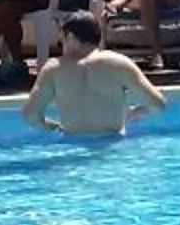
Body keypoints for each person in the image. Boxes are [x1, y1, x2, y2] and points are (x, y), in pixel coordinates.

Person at [24, 11, 170, 136]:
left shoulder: (53, 69)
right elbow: (158, 104)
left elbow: (31, 115)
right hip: (113, 145)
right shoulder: (119, 63)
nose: (61, 44)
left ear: (71, 37)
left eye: (61, 39)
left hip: (73, 146)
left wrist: (55, 127)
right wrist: (132, 114)